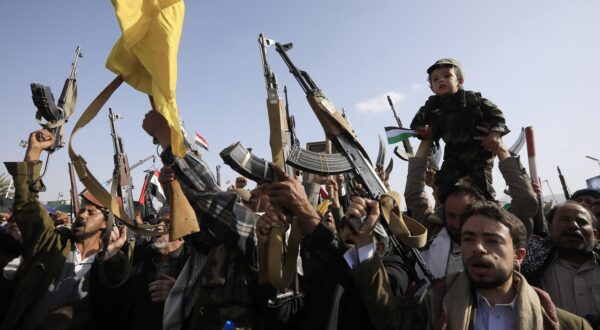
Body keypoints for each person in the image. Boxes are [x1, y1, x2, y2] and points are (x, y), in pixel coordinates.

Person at [346, 199, 591, 329]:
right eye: (468, 238)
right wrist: (366, 243)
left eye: (492, 240)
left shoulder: (568, 325)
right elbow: (391, 322)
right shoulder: (433, 307)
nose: (478, 248)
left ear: (519, 256)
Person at [1, 129, 129, 330]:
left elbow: (111, 307)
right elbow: (28, 206)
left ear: (107, 224)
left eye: (92, 213)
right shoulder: (51, 244)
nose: (82, 215)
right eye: (82, 211)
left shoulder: (112, 265)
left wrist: (110, 255)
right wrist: (34, 152)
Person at [405, 134, 537, 285]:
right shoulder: (434, 228)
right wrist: (426, 141)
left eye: (467, 180)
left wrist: (500, 149)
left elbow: (526, 201)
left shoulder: (503, 230)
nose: (457, 223)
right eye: (452, 216)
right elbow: (414, 194)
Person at [410, 58, 509, 202]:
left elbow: (497, 115)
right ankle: (444, 211)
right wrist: (421, 130)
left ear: (460, 81)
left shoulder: (473, 100)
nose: (441, 80)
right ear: (432, 87)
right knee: (444, 181)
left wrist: (494, 134)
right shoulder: (431, 107)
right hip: (454, 154)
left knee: (481, 185)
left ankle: (489, 209)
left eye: (447, 76)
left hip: (479, 151)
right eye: (435, 79)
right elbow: (416, 123)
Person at [89, 206, 189, 330]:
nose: (158, 226)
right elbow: (105, 301)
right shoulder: (137, 258)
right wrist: (110, 255)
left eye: (168, 223)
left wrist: (178, 298)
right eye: (158, 221)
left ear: (184, 234)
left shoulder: (195, 267)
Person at [521, 201, 600, 328]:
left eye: (582, 222)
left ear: (595, 234)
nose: (573, 225)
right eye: (565, 219)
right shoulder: (530, 265)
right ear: (550, 228)